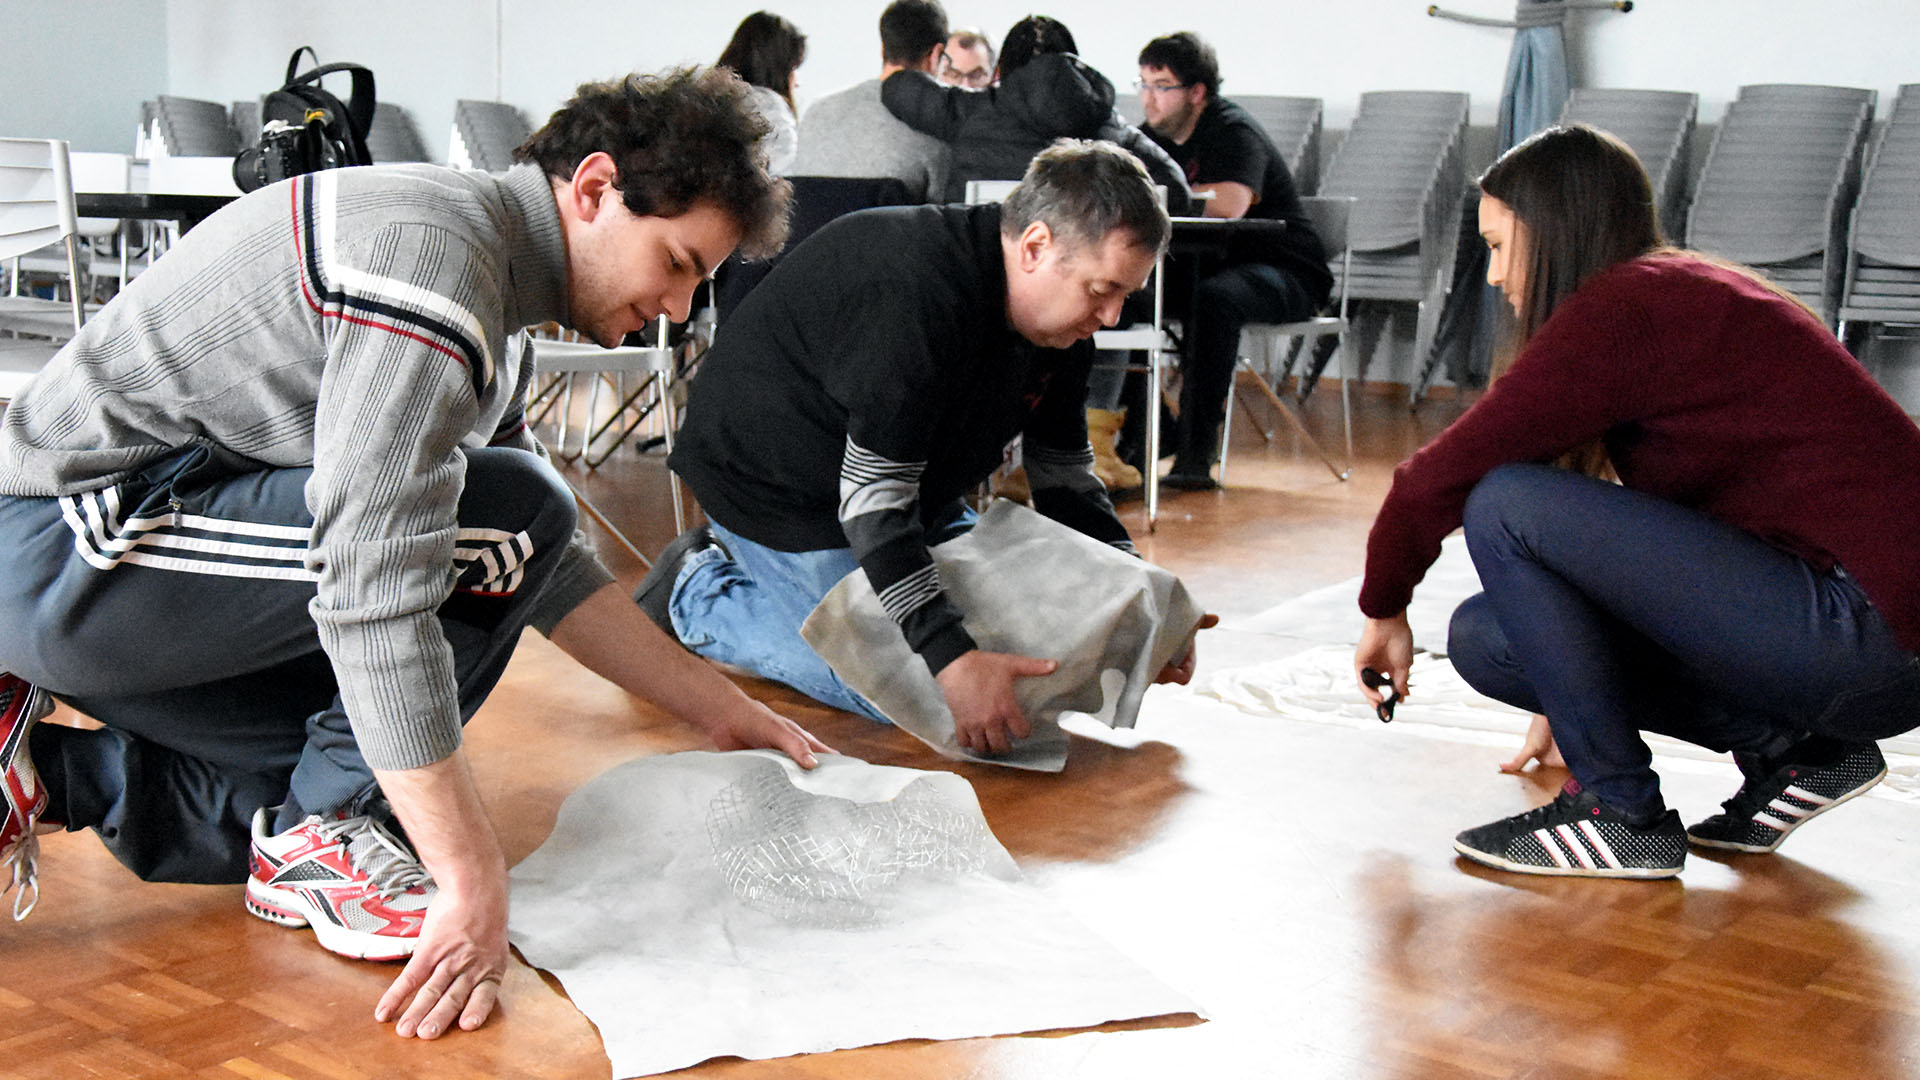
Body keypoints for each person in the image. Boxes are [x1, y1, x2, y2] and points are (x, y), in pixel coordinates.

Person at [0, 67, 832, 1038]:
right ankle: (322, 831)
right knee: (498, 543)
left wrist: (718, 706)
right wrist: (468, 869)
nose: (679, 311)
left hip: (128, 566)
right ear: (596, 190)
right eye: (679, 264)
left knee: (348, 778)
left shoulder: (497, 313)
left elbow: (544, 569)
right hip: (60, 543)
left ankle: (46, 775)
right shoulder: (437, 259)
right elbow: (377, 579)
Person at [1353, 124, 1920, 879]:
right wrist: (1569, 687)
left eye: (1496, 245)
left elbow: (1434, 479)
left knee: (1506, 501)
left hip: (1871, 629)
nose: (1491, 276)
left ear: (1552, 231)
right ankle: (1804, 754)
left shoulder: (1631, 306)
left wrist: (1383, 608)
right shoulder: (1673, 289)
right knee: (1488, 638)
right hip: (1849, 632)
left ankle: (1618, 813)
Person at [641, 140, 1211, 756]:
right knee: (924, 692)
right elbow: (872, 504)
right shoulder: (912, 295)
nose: (1112, 314)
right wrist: (953, 665)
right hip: (780, 491)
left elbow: (1065, 478)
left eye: (1127, 293)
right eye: (1102, 289)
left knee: (1021, 656)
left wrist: (1143, 595)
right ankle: (697, 591)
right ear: (1037, 246)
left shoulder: (1062, 328)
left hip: (912, 488)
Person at [1134, 31, 1331, 490]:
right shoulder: (1148, 140)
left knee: (1215, 302)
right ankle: (1154, 429)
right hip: (1208, 266)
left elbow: (1230, 204)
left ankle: (1194, 454)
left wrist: (1169, 195)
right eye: (1143, 84)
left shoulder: (1232, 130)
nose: (1148, 98)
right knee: (1125, 297)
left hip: (1285, 268)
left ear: (1197, 92)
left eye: (1161, 86)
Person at [881, 15, 1191, 213]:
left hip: (982, 290)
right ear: (1075, 69)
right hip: (1084, 299)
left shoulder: (969, 111)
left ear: (999, 72)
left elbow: (899, 87)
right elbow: (1175, 194)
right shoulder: (1112, 128)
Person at [789, 0, 954, 203]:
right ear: (936, 55)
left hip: (811, 234)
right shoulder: (935, 127)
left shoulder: (817, 112)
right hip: (890, 234)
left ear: (884, 47)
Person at [717, 11, 808, 175]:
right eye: (794, 68)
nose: (797, 82)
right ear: (780, 68)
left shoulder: (706, 101)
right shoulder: (773, 112)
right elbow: (787, 179)